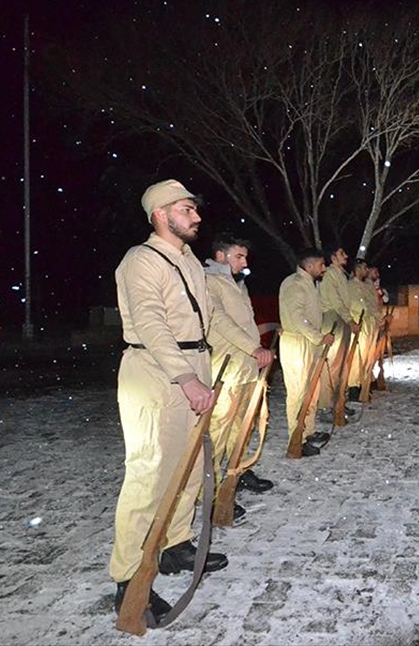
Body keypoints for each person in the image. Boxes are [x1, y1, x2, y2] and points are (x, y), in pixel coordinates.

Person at [110, 179, 228, 621]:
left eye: (195, 209)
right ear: (160, 214)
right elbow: (152, 325)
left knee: (191, 463)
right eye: (186, 209)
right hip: (154, 372)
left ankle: (175, 543)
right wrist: (185, 377)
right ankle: (128, 579)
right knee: (149, 473)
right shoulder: (142, 261)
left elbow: (204, 322)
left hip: (193, 368)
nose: (196, 217)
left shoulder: (190, 262)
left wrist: (215, 367)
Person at [203, 233, 276, 518]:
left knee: (242, 428)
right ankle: (209, 491)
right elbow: (218, 321)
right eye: (239, 256)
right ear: (220, 256)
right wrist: (253, 347)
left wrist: (254, 349)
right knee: (218, 432)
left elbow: (246, 323)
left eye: (245, 256)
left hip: (246, 366)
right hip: (226, 366)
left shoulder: (238, 284)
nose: (244, 262)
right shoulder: (209, 282)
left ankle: (238, 473)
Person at [279, 248, 336, 457]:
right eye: (321, 265)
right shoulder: (294, 285)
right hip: (297, 343)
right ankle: (297, 438)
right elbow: (298, 318)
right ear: (310, 265)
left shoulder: (310, 284)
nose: (324, 269)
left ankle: (308, 431)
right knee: (298, 393)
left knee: (311, 389)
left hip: (309, 343)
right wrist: (319, 337)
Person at [318, 247, 360, 419]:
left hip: (341, 318)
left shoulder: (340, 274)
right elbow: (335, 301)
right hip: (332, 319)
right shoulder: (329, 274)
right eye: (342, 253)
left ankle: (338, 402)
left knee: (341, 366)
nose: (346, 256)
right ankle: (326, 407)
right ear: (333, 257)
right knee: (332, 365)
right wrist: (349, 319)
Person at [347, 259, 381, 401]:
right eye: (364, 267)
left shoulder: (367, 286)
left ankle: (364, 384)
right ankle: (353, 387)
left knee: (368, 356)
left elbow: (372, 305)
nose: (366, 270)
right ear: (357, 268)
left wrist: (379, 318)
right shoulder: (349, 286)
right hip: (358, 323)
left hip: (370, 323)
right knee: (357, 357)